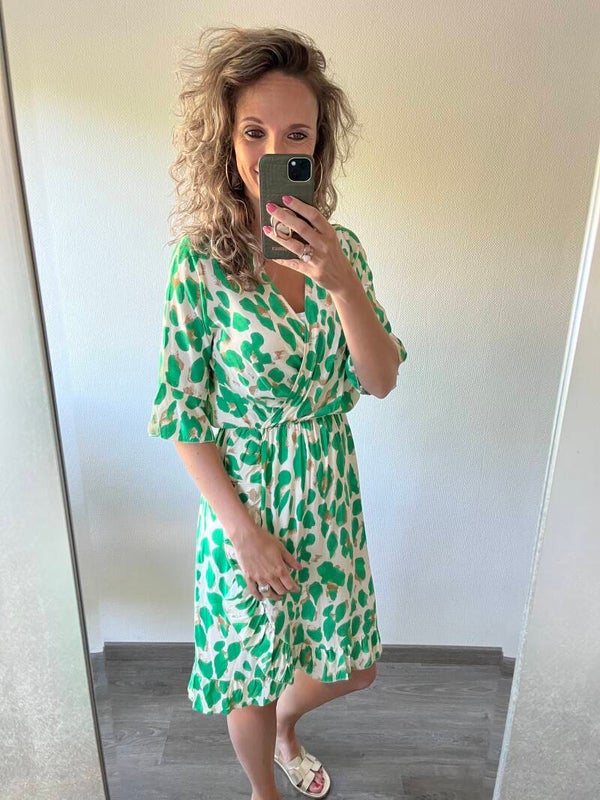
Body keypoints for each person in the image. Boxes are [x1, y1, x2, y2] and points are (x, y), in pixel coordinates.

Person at [148, 25, 407, 800]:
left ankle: (291, 727)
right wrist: (243, 534)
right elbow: (182, 416)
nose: (273, 152)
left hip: (329, 494)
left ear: (318, 146)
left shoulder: (343, 250)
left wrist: (341, 283)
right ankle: (264, 787)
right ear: (226, 142)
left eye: (296, 135)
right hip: (246, 502)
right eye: (253, 132)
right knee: (250, 680)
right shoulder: (199, 264)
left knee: (354, 665)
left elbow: (381, 380)